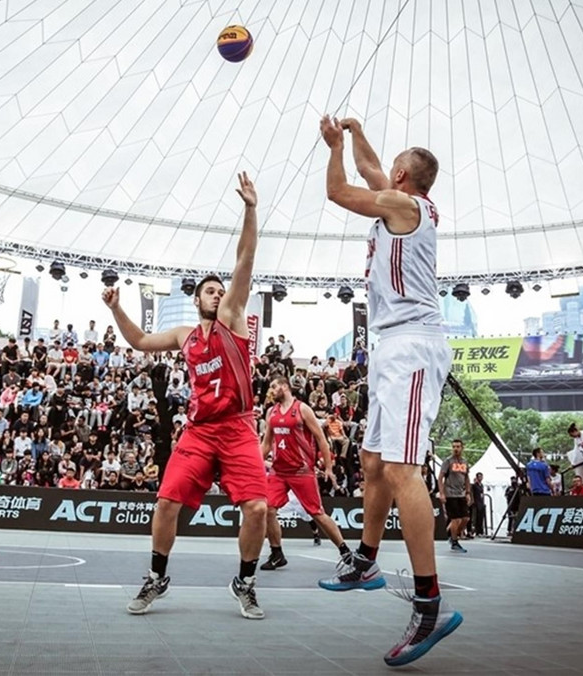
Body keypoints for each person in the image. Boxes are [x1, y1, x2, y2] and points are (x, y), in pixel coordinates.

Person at [316, 115, 460, 666]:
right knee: (373, 461)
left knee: (402, 470)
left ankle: (429, 604)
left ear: (403, 176)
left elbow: (338, 188)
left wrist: (333, 147)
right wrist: (354, 133)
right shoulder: (402, 198)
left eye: (390, 167)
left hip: (412, 347)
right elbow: (371, 167)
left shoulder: (404, 207)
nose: (383, 170)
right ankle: (367, 560)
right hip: (391, 348)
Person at [107, 172, 269, 620]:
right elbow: (139, 341)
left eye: (221, 290)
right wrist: (116, 307)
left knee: (256, 508)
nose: (218, 294)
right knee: (166, 503)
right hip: (199, 432)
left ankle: (246, 581)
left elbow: (245, 260)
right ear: (197, 299)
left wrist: (250, 209)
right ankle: (157, 577)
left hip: (237, 429)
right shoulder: (184, 336)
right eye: (210, 291)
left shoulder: (233, 319)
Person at [259, 375, 352, 571]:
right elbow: (267, 443)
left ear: (285, 386)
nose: (272, 390)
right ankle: (277, 553)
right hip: (278, 471)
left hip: (302, 471)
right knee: (267, 509)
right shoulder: (272, 412)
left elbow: (321, 439)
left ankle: (346, 552)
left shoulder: (302, 409)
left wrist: (328, 467)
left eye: (274, 386)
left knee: (317, 514)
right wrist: (253, 463)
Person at [437, 440, 472, 553]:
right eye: (453, 447)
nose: (455, 449)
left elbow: (466, 478)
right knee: (455, 519)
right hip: (450, 494)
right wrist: (442, 493)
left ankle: (453, 535)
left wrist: (467, 493)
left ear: (462, 448)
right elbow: (440, 478)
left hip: (461, 494)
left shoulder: (464, 462)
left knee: (465, 518)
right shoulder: (448, 461)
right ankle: (454, 541)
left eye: (458, 447)